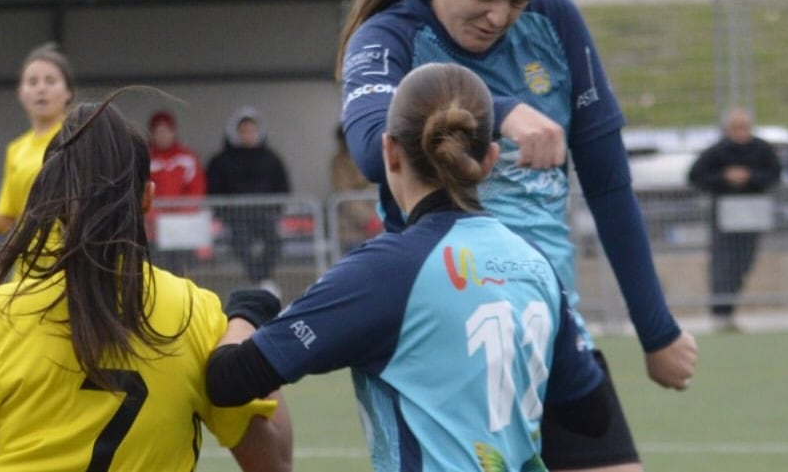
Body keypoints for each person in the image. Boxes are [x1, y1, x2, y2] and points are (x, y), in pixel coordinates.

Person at [336, 0, 696, 471]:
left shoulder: (557, 26)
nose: (500, 16)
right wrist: (496, 109)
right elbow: (375, 152)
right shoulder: (389, 37)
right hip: (445, 341)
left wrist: (655, 330)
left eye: (520, 0)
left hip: (549, 328)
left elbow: (609, 186)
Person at [207, 63, 611, 471]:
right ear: (489, 158)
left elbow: (228, 380)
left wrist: (248, 310)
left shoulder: (386, 272)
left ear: (389, 151)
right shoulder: (535, 262)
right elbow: (591, 413)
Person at [0, 95, 292, 472]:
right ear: (147, 198)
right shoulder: (194, 311)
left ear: (50, 198)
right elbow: (272, 463)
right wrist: (249, 332)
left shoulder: (5, 312)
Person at [0, 43, 73, 266]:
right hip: (28, 266)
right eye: (32, 82)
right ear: (21, 93)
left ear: (68, 92)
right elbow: (10, 224)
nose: (41, 89)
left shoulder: (80, 137)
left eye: (50, 81)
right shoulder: (16, 149)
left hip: (72, 262)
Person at [687, 108, 782, 331]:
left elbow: (774, 175)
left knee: (744, 263)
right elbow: (696, 176)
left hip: (752, 214)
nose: (740, 132)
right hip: (723, 215)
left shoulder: (762, 149)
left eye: (744, 127)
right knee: (722, 263)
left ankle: (730, 307)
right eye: (735, 128)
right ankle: (721, 311)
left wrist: (750, 178)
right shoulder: (717, 151)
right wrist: (724, 178)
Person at [207, 107, 291, 290]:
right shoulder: (221, 160)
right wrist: (223, 214)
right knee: (240, 242)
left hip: (265, 215)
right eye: (243, 131)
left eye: (251, 130)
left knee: (274, 241)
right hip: (235, 218)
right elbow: (214, 190)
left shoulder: (271, 159)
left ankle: (260, 280)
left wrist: (275, 211)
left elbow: (282, 188)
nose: (248, 135)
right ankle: (259, 281)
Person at [148, 109, 209, 275]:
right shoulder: (146, 158)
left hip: (183, 225)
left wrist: (180, 214)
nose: (162, 135)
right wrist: (155, 214)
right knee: (159, 267)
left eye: (166, 131)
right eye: (158, 131)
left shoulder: (187, 157)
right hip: (155, 227)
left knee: (183, 268)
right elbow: (143, 189)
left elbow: (196, 189)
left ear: (173, 131)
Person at [330, 123, 380, 253]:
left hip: (377, 227)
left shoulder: (371, 156)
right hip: (353, 230)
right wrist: (369, 220)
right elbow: (347, 197)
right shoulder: (341, 163)